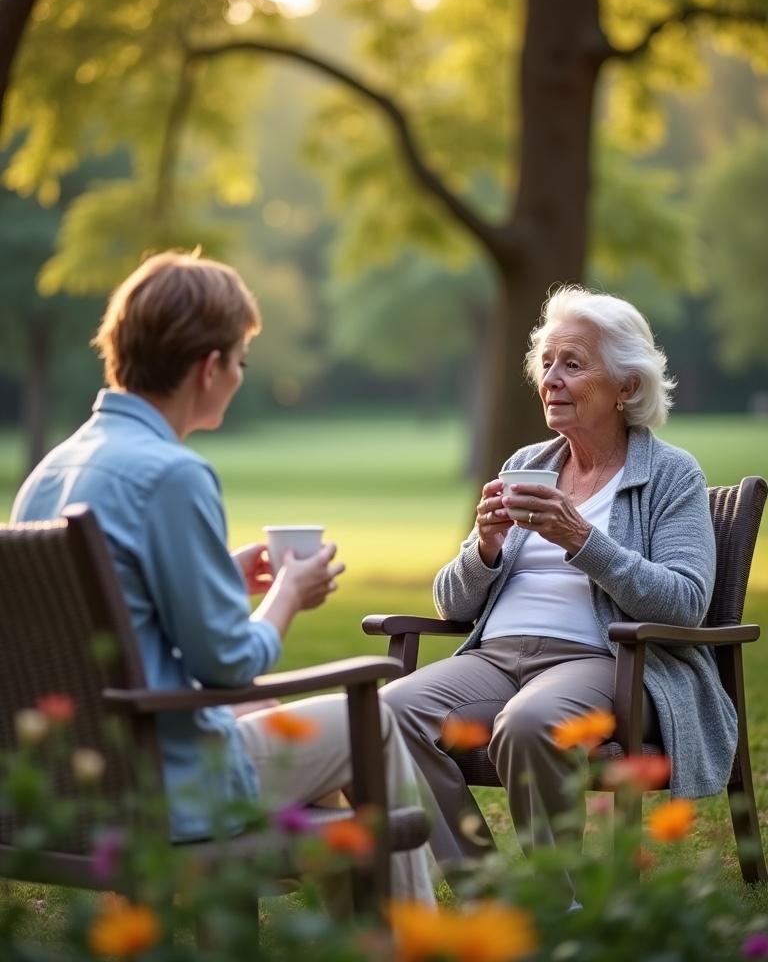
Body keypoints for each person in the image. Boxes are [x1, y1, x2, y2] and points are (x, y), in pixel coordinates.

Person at [11, 250, 434, 906]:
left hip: (78, 786)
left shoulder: (52, 470)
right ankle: (413, 939)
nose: (238, 376)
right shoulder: (172, 474)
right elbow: (230, 663)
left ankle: (343, 903)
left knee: (299, 757)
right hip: (169, 790)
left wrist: (222, 584)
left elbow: (116, 620)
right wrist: (289, 594)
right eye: (239, 361)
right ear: (209, 368)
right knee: (368, 720)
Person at [381, 285, 736, 891]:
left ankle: (559, 899)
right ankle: (481, 890)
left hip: (608, 660)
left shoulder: (670, 475)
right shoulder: (529, 463)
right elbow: (451, 604)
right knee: (389, 713)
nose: (551, 378)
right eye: (546, 363)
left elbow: (685, 601)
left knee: (527, 721)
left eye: (573, 363)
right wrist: (485, 547)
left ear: (627, 387)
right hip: (497, 656)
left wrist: (582, 540)